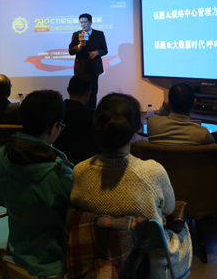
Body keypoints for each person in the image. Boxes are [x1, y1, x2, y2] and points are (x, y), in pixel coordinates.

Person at [70, 93, 192, 279]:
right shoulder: (153, 172)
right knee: (182, 226)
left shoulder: (79, 171)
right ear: (136, 128)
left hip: (97, 265)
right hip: (148, 269)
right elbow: (168, 209)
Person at [0, 90, 72, 277]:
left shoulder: (1, 155)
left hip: (16, 246)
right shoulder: (60, 174)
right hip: (53, 256)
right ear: (53, 127)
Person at [148, 82, 217, 147]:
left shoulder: (152, 123)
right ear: (194, 103)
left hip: (160, 157)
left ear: (168, 103)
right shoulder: (203, 133)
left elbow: (160, 117)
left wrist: (166, 108)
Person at [53, 74, 99, 164]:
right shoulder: (93, 117)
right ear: (88, 93)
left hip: (60, 163)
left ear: (68, 90)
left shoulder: (57, 112)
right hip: (86, 164)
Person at [68, 13, 108, 109]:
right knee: (80, 93)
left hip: (94, 68)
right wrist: (79, 46)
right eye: (81, 22)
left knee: (93, 92)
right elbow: (71, 51)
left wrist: (97, 52)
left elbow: (105, 50)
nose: (83, 24)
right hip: (80, 69)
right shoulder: (76, 34)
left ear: (90, 22)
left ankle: (92, 112)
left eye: (85, 22)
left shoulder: (99, 34)